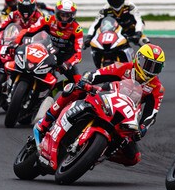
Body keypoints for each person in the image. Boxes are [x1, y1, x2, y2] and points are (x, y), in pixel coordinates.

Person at [33, 44, 166, 166]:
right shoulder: (123, 67)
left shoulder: (157, 88)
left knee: (134, 157)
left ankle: (99, 153)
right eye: (148, 65)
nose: (150, 70)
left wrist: (142, 129)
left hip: (125, 114)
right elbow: (98, 74)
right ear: (138, 59)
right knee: (75, 88)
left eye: (156, 67)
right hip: (106, 99)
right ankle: (44, 122)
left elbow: (151, 114)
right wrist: (87, 79)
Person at [84, 0, 149, 48]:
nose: (116, 2)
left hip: (131, 31)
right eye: (113, 0)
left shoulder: (130, 6)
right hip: (114, 34)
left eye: (118, 0)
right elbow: (95, 24)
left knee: (145, 43)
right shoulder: (105, 9)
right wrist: (89, 37)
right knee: (97, 45)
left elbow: (139, 20)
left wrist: (138, 33)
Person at [46, 0, 83, 81]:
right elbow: (31, 30)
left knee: (78, 82)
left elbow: (78, 54)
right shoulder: (48, 20)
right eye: (62, 15)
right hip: (46, 53)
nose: (64, 18)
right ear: (57, 13)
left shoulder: (77, 29)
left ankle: (61, 86)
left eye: (68, 15)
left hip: (65, 58)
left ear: (72, 15)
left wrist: (68, 63)